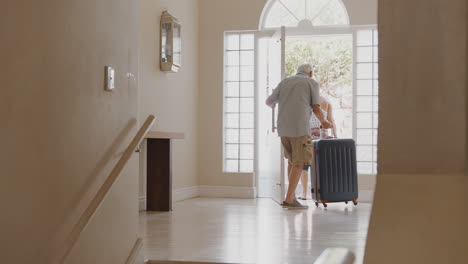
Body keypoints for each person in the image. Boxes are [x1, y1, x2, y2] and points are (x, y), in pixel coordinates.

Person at [266, 63, 332, 209]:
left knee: (291, 162)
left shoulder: (285, 82)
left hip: (283, 128)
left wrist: (278, 106)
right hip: (299, 129)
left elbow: (269, 101)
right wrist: (324, 122)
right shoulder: (311, 83)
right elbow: (316, 107)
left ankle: (291, 196)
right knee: (299, 163)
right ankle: (289, 199)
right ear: (311, 73)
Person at [299, 96, 338, 200]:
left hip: (308, 136)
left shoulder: (304, 100)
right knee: (321, 167)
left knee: (304, 166)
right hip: (322, 138)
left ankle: (304, 193)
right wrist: (335, 136)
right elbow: (331, 121)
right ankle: (324, 191)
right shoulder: (326, 102)